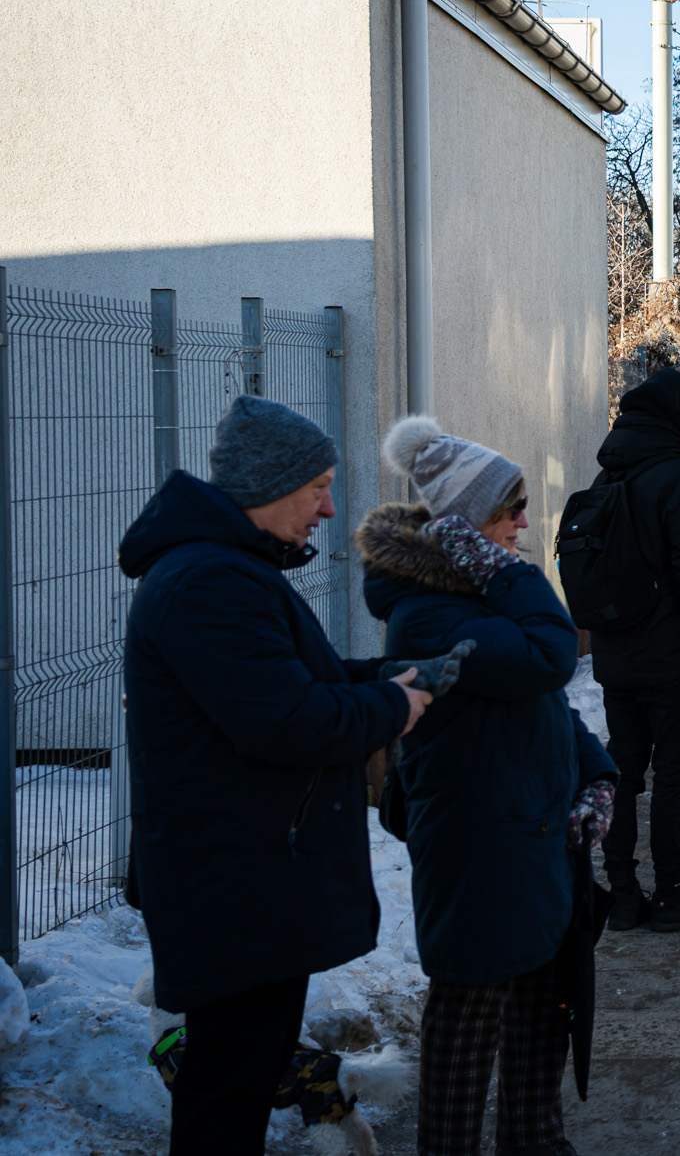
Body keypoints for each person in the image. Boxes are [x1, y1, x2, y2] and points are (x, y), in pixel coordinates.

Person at [120, 395, 430, 1155]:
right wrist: (393, 703)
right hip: (234, 879)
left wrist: (390, 674)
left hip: (244, 874)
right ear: (267, 485)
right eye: (317, 487)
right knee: (227, 1088)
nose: (330, 507)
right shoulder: (209, 583)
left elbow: (296, 682)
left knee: (241, 1074)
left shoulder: (227, 571)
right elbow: (288, 719)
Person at [363, 416, 618, 1156]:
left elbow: (547, 705)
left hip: (533, 837)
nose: (524, 523)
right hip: (480, 845)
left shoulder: (481, 599)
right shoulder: (431, 612)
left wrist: (595, 773)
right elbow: (549, 657)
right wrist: (506, 572)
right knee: (467, 1026)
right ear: (471, 525)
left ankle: (535, 1142)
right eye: (510, 509)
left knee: (542, 1014)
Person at [587, 369, 680, 932]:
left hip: (616, 656)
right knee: (676, 776)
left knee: (626, 773)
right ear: (679, 418)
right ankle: (672, 895)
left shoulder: (609, 476)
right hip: (673, 660)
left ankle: (622, 893)